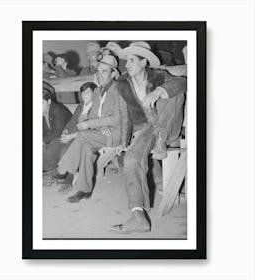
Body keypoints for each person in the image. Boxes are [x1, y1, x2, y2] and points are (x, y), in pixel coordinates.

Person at [111, 41, 187, 234]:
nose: (126, 64)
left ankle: (161, 140)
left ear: (144, 62)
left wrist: (159, 90)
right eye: (125, 60)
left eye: (131, 60)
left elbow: (183, 81)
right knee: (130, 159)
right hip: (145, 130)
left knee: (172, 91)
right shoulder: (123, 84)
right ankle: (138, 217)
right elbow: (125, 115)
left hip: (168, 127)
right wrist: (123, 142)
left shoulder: (159, 75)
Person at [53, 55, 129, 202]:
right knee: (86, 149)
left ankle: (63, 169)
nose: (100, 75)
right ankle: (84, 189)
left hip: (115, 135)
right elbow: (92, 116)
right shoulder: (97, 91)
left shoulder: (119, 89)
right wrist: (93, 122)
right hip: (101, 132)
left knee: (82, 136)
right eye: (98, 72)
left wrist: (92, 124)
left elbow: (116, 118)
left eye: (104, 72)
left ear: (113, 74)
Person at [43, 81, 73, 173]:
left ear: (49, 101)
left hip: (66, 136)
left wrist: (43, 141)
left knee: (50, 150)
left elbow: (57, 132)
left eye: (41, 103)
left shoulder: (58, 110)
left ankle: (50, 171)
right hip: (53, 136)